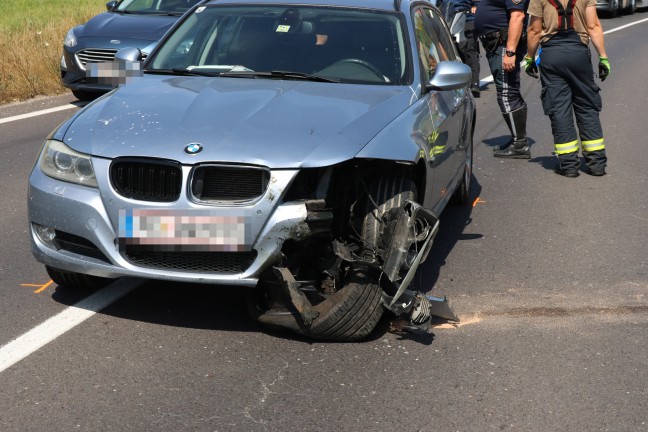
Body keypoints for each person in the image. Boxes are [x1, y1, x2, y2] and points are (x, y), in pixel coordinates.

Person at [524, 0, 609, 177]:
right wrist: (603, 58)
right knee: (587, 106)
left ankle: (569, 165)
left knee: (559, 109)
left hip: (552, 55)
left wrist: (530, 58)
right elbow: (593, 26)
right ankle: (597, 164)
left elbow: (534, 30)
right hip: (578, 54)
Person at [475, 0, 531, 159]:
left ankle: (520, 144)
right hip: (495, 45)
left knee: (507, 93)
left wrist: (510, 52)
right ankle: (517, 139)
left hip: (504, 46)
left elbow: (518, 16)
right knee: (510, 91)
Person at [439, 0, 482, 97]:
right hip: (448, 18)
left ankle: (474, 83)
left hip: (467, 17)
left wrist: (475, 6)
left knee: (470, 48)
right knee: (448, 48)